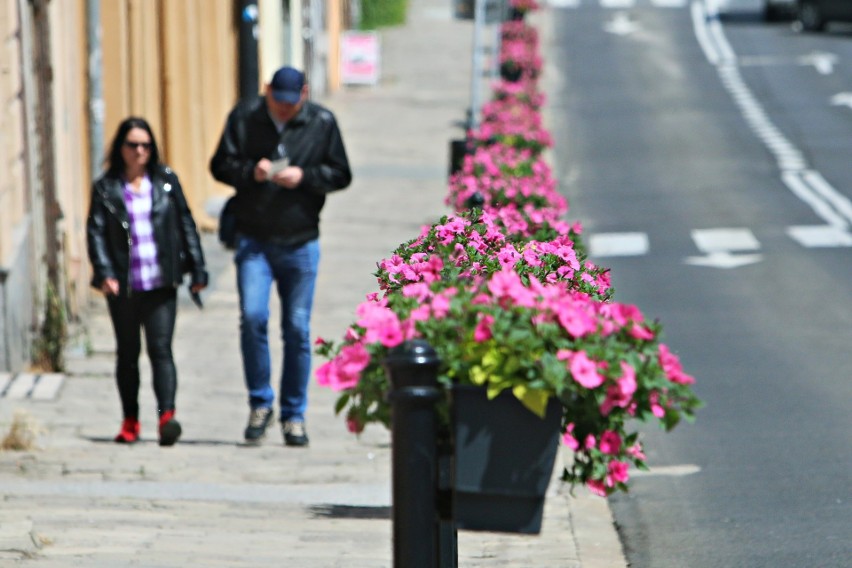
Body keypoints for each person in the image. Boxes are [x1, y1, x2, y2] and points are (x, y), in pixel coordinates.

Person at [209, 66, 352, 447]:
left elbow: (341, 173)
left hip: (301, 240)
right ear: (267, 91)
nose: (285, 109)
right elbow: (220, 165)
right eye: (278, 101)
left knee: (297, 328)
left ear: (303, 94)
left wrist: (305, 177)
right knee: (254, 317)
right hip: (253, 239)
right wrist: (250, 173)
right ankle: (260, 403)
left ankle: (294, 415)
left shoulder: (321, 122)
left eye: (292, 102)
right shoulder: (245, 117)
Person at [87, 117, 208, 446]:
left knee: (160, 349)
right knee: (128, 353)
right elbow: (95, 232)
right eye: (132, 145)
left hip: (160, 281)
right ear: (120, 148)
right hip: (124, 285)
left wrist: (197, 270)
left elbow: (186, 224)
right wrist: (104, 273)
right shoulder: (107, 187)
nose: (139, 151)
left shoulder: (166, 181)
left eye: (145, 145)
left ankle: (166, 417)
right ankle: (130, 420)